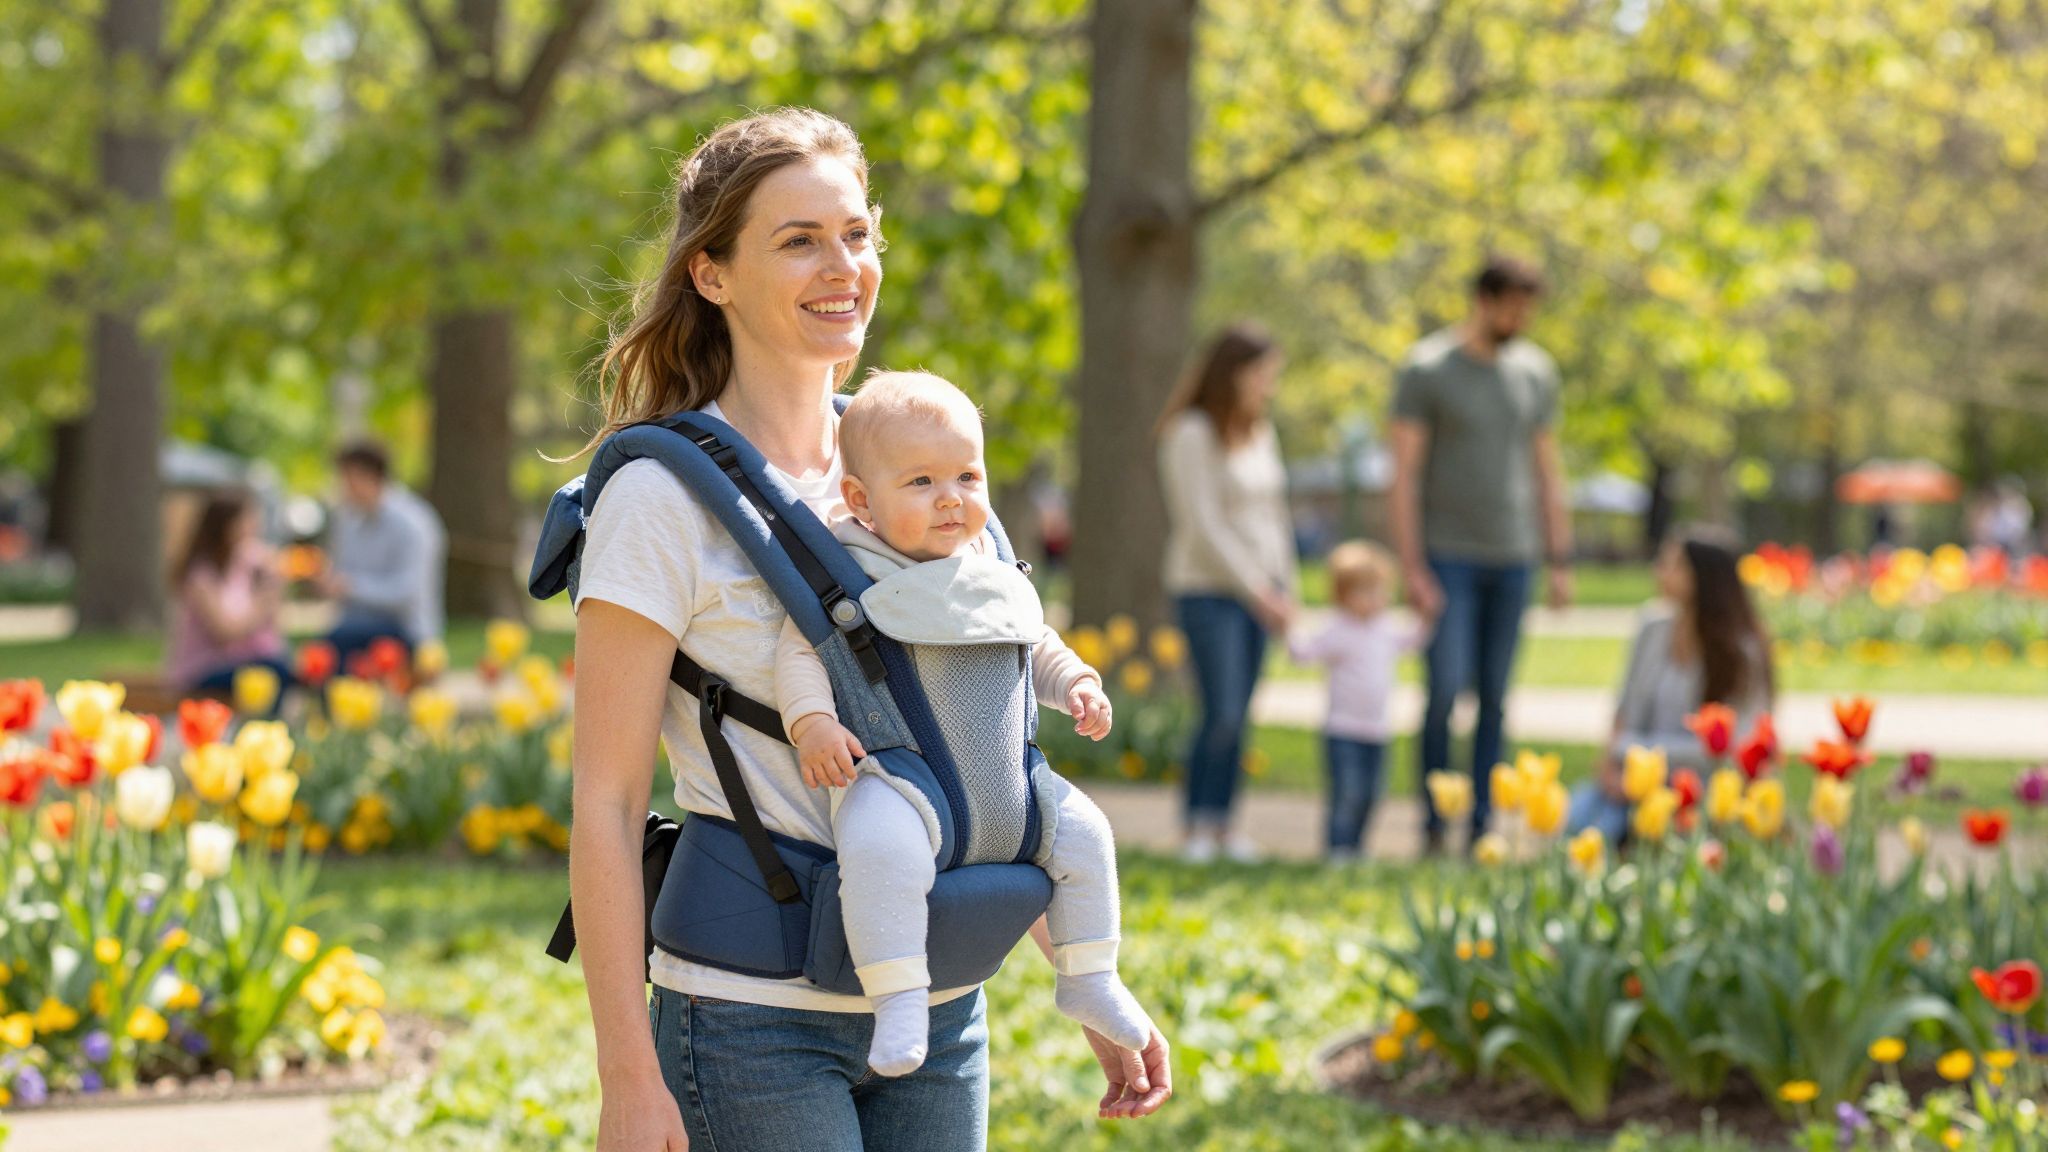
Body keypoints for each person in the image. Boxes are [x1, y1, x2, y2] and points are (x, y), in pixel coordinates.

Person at [567, 109, 1170, 1152]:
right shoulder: (660, 499)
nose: (842, 266)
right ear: (711, 273)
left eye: (855, 234)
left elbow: (976, 754)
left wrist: (1079, 973)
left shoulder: (920, 463)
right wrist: (627, 1075)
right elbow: (608, 803)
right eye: (798, 240)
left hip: (938, 1006)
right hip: (751, 1020)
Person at [775, 370, 1152, 1077]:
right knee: (877, 852)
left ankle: (1090, 977)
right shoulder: (849, 569)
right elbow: (800, 654)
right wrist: (813, 724)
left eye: (967, 477)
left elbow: (1034, 641)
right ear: (861, 499)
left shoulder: (989, 566)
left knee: (1087, 835)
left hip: (1011, 781)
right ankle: (898, 997)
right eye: (920, 482)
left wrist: (1077, 683)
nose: (951, 497)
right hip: (901, 779)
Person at [1389, 256, 1572, 853]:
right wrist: (1412, 566)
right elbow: (1404, 476)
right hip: (1447, 556)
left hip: (1513, 556)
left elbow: (1547, 471)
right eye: (1511, 307)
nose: (1520, 319)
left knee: (1495, 698)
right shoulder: (1427, 370)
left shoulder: (1535, 373)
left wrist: (1559, 558)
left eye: (1527, 309)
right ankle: (1434, 821)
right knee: (1444, 691)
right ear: (1483, 301)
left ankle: (1481, 827)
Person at [1157, 324, 1297, 863]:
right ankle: (1195, 823)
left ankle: (1225, 825)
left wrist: (1287, 590)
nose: (1269, 385)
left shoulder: (1260, 432)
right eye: (1263, 374)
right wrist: (1257, 591)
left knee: (1242, 714)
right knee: (1221, 711)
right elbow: (1203, 525)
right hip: (1209, 592)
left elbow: (1276, 516)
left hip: (1262, 594)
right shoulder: (1190, 433)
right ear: (1233, 373)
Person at [1566, 526, 1775, 842]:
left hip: (1705, 790)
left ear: (1704, 577)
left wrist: (1636, 755)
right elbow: (1624, 711)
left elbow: (1737, 747)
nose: (1660, 571)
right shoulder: (1652, 628)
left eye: (1674, 565)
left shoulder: (1742, 651)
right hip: (1632, 781)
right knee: (1578, 822)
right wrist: (1612, 767)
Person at [1286, 541, 1425, 861]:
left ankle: (1357, 847)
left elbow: (1413, 640)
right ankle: (1338, 848)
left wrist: (1425, 614)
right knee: (1346, 793)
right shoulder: (1336, 629)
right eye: (1366, 592)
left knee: (1371, 795)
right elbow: (1302, 653)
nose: (1376, 599)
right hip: (1343, 729)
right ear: (1342, 595)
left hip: (1377, 729)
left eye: (1380, 591)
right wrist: (1289, 624)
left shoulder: (1385, 628)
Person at [317, 441, 446, 666]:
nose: (341, 488)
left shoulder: (412, 523)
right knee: (322, 654)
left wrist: (350, 587)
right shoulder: (348, 521)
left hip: (406, 631)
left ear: (368, 476)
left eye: (346, 479)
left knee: (335, 648)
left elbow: (407, 593)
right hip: (358, 626)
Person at [166, 490, 290, 699]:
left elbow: (274, 628)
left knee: (279, 669)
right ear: (224, 526)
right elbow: (225, 632)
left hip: (238, 663)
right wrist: (265, 599)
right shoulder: (201, 575)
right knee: (273, 672)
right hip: (202, 671)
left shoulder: (245, 564)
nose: (253, 527)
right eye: (245, 521)